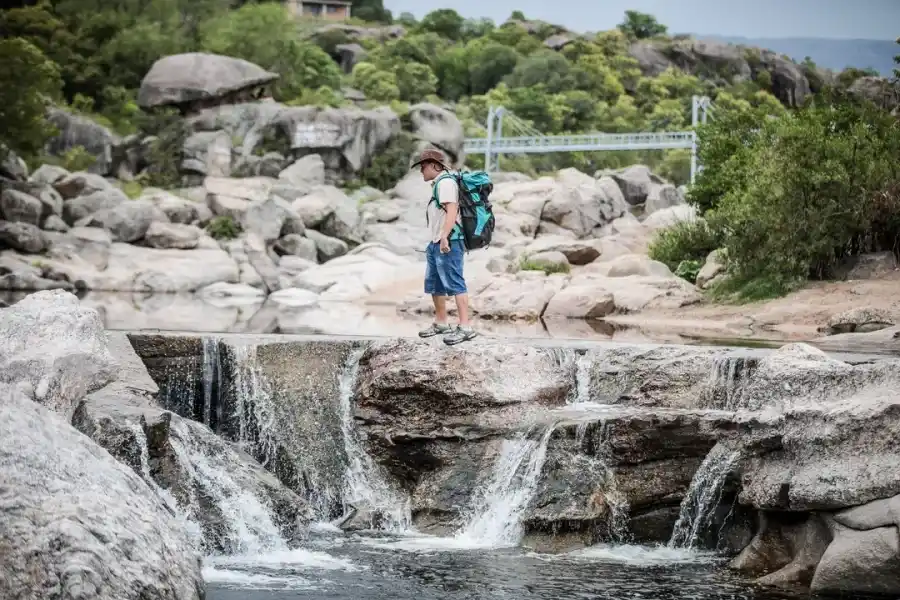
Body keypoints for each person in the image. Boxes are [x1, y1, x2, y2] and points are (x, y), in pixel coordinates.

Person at [410, 148, 478, 345]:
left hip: (449, 241)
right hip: (436, 242)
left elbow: (452, 210)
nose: (421, 170)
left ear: (434, 165)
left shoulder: (446, 183)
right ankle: (441, 323)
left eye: (423, 166)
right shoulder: (439, 184)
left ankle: (465, 327)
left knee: (455, 281)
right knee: (434, 283)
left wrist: (445, 237)